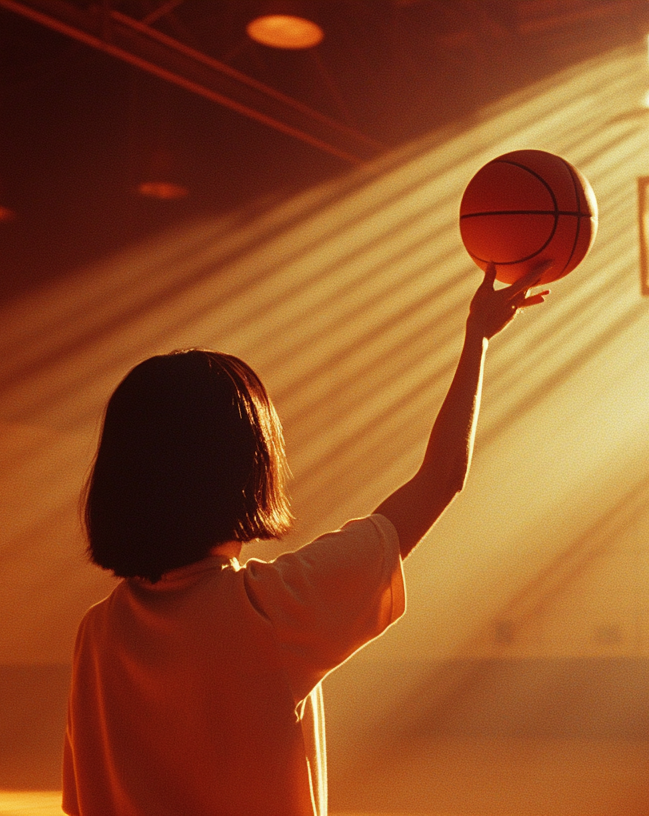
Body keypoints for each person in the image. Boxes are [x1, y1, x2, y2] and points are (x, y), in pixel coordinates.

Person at [62, 264, 548, 816]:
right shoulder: (269, 611)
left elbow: (80, 805)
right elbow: (440, 479)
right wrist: (476, 340)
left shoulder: (95, 634)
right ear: (246, 470)